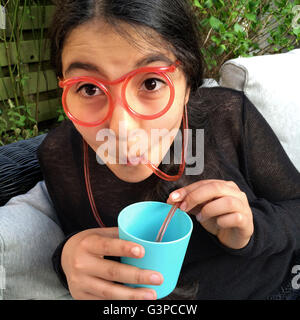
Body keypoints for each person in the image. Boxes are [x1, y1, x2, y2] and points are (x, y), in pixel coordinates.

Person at [35, 0, 300, 300]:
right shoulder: (60, 156)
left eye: (151, 82)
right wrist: (64, 259)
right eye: (89, 89)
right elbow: (79, 238)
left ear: (188, 84)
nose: (121, 129)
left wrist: (253, 229)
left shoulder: (228, 119)